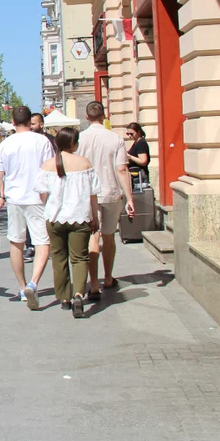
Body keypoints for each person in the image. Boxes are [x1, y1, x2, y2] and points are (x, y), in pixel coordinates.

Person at [0, 106, 55, 310]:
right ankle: (34, 282)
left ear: (13, 122)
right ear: (30, 120)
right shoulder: (42, 141)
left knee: (17, 242)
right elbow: (50, 169)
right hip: (38, 197)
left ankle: (22, 286)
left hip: (15, 198)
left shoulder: (5, 145)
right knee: (43, 241)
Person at [33, 127, 100, 318]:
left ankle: (64, 297)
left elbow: (41, 191)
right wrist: (95, 216)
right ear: (74, 143)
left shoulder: (47, 164)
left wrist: (50, 205)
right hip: (80, 216)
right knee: (80, 258)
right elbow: (93, 194)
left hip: (55, 218)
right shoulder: (84, 163)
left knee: (59, 258)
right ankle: (79, 293)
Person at [76, 101, 135, 298]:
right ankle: (108, 276)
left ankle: (93, 283)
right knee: (109, 236)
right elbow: (122, 169)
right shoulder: (115, 139)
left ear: (87, 117)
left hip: (87, 194)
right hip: (110, 192)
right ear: (104, 115)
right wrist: (129, 198)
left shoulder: (80, 139)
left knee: (93, 236)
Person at [27, 113, 56, 261]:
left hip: (47, 184)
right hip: (29, 185)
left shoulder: (50, 140)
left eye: (34, 123)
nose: (31, 126)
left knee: (47, 215)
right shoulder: (25, 140)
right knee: (29, 216)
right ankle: (30, 246)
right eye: (30, 123)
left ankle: (48, 244)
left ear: (41, 124)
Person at [126, 122, 150, 189]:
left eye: (131, 134)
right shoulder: (136, 143)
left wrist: (130, 156)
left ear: (138, 132)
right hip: (135, 176)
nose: (129, 136)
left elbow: (143, 161)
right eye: (128, 134)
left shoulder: (141, 144)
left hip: (139, 177)